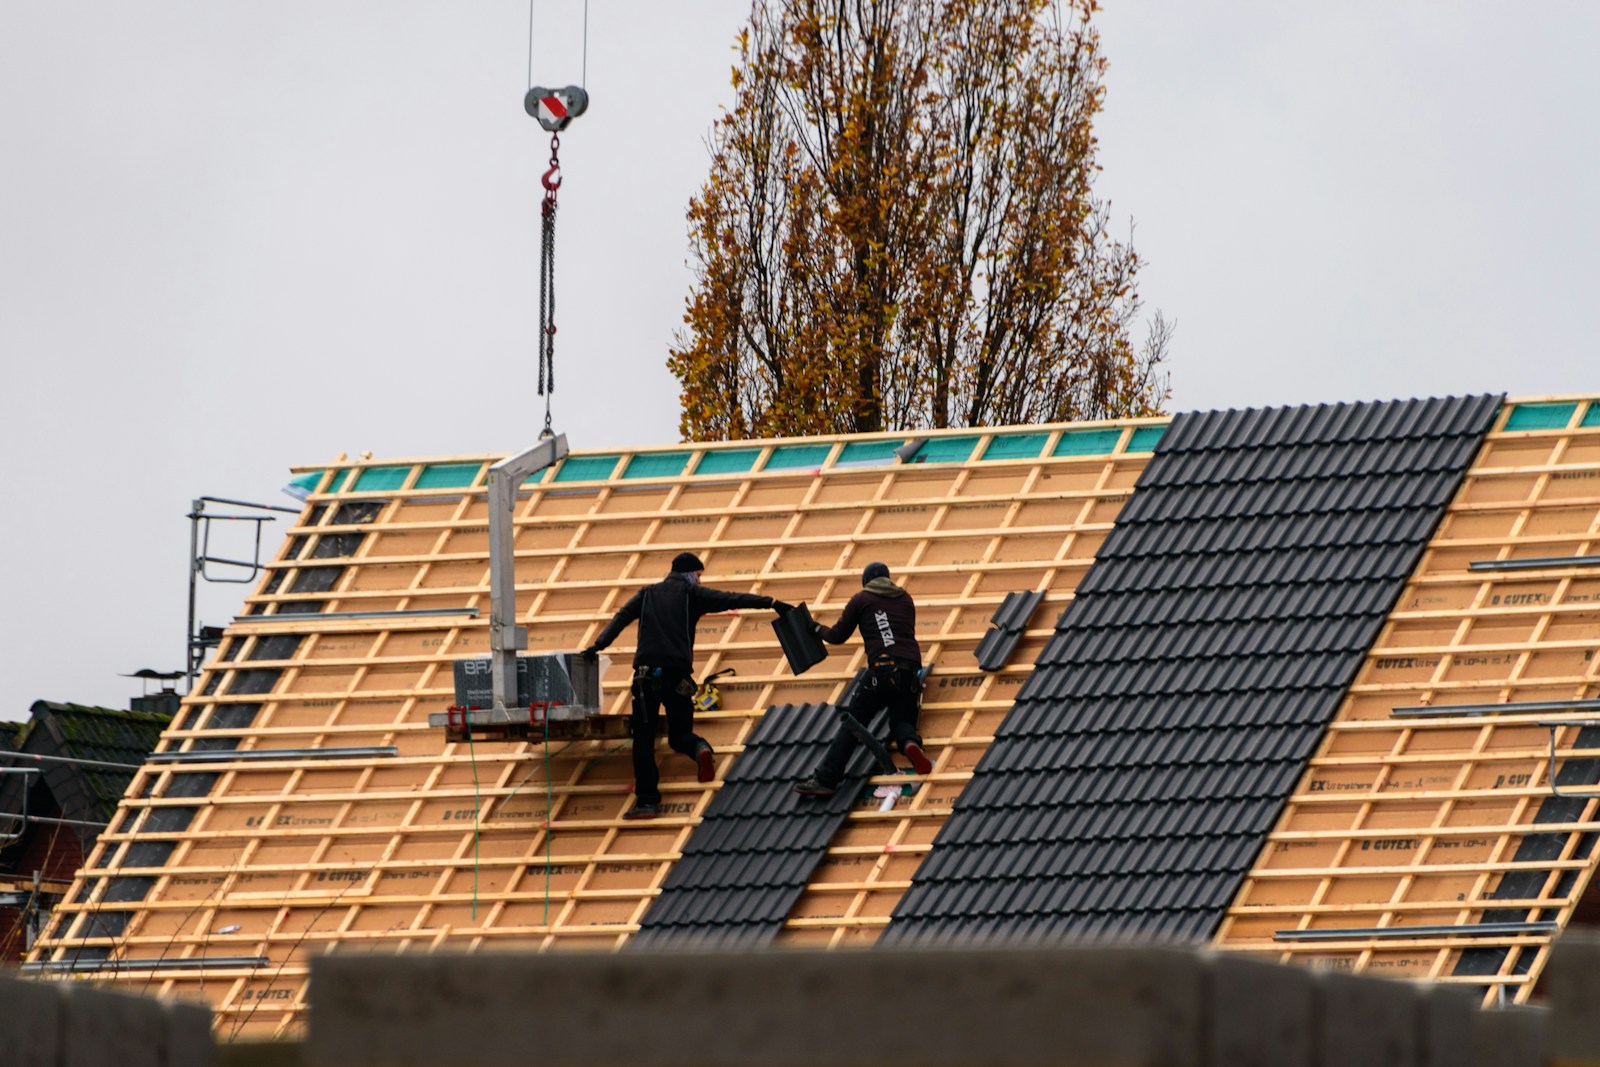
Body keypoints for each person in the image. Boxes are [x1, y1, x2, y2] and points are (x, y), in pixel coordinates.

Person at [584, 551, 792, 819]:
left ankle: (647, 802)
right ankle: (700, 748)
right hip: (677, 677)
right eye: (699, 575)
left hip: (645, 679)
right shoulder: (692, 595)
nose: (700, 581)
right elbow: (731, 599)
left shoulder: (646, 594)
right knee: (680, 734)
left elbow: (621, 619)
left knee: (643, 741)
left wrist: (597, 647)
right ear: (689, 574)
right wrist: (772, 602)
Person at [794, 561, 933, 796]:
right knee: (902, 719)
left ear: (866, 582)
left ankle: (826, 779)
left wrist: (816, 629)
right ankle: (910, 744)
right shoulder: (905, 598)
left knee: (854, 722)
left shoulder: (862, 599)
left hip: (881, 671)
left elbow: (838, 635)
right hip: (910, 671)